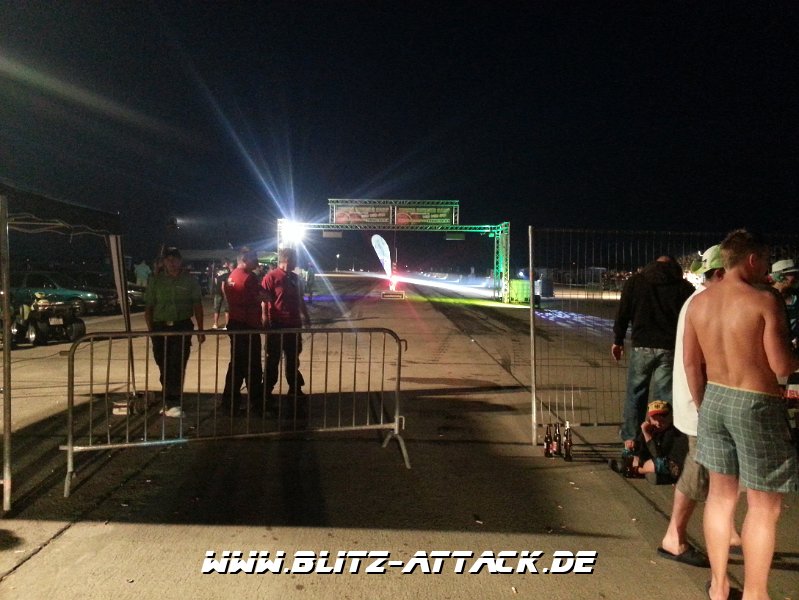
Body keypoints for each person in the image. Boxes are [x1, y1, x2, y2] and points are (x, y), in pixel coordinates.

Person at [684, 229, 799, 600]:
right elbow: (781, 365)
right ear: (752, 259)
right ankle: (755, 593)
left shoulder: (699, 303)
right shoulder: (764, 300)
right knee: (764, 505)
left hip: (714, 398)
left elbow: (691, 363)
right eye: (765, 260)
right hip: (756, 403)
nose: (767, 268)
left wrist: (704, 404)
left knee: (721, 498)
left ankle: (719, 586)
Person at [658, 244, 741, 569]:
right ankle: (674, 537)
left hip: (698, 401)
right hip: (701, 404)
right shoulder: (707, 303)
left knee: (718, 471)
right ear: (720, 273)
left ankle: (727, 532)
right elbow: (699, 363)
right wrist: (706, 407)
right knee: (698, 471)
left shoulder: (700, 300)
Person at [612, 255, 695, 451]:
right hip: (669, 347)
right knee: (662, 398)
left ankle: (631, 438)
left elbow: (623, 311)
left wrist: (618, 339)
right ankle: (658, 438)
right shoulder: (683, 286)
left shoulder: (636, 282)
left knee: (635, 393)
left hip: (642, 345)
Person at [144, 247, 205, 418]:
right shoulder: (155, 280)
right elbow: (149, 307)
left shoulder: (189, 281)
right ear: (164, 262)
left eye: (175, 259)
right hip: (160, 327)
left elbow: (197, 305)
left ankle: (174, 402)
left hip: (181, 325)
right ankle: (168, 398)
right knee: (162, 363)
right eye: (168, 260)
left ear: (180, 261)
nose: (171, 263)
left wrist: (201, 330)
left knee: (177, 364)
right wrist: (151, 330)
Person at [221, 248, 268, 414]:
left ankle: (230, 402)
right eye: (254, 258)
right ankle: (255, 402)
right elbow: (260, 297)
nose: (257, 262)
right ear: (245, 259)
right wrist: (264, 297)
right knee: (252, 366)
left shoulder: (232, 276)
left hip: (235, 323)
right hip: (247, 325)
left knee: (236, 364)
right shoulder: (249, 277)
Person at [262, 247, 311, 400]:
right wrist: (265, 318)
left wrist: (306, 317)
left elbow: (300, 299)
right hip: (277, 325)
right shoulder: (271, 277)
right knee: (273, 359)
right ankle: (267, 390)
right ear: (287, 260)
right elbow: (264, 301)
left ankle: (294, 388)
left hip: (294, 325)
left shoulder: (295, 278)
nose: (297, 263)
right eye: (295, 259)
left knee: (293, 359)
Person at [770, 258, 799, 348]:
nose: (796, 277)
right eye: (792, 274)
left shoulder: (796, 298)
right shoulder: (766, 296)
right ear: (780, 276)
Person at [212, 259, 233, 330]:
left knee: (216, 308)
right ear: (226, 263)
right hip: (226, 291)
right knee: (227, 309)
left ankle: (215, 324)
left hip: (217, 291)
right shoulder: (229, 270)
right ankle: (227, 325)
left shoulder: (217, 270)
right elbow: (228, 281)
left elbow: (215, 280)